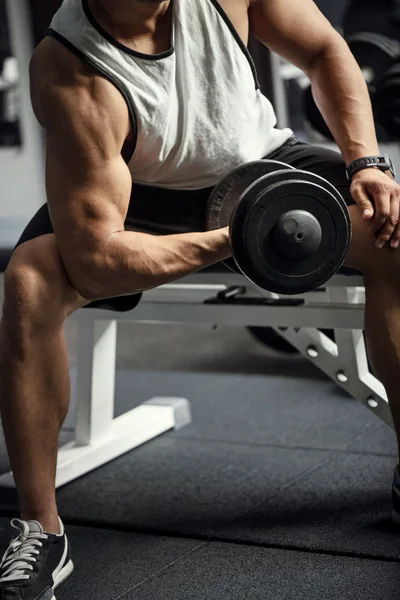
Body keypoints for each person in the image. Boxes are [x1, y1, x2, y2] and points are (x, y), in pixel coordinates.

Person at [1, 0, 400, 597]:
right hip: (139, 200)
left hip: (263, 164)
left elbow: (323, 49)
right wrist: (239, 235)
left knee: (394, 231)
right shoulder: (71, 66)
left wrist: (365, 160)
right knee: (29, 281)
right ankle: (41, 527)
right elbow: (98, 261)